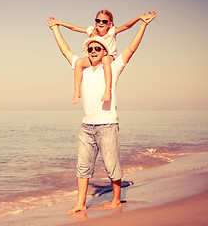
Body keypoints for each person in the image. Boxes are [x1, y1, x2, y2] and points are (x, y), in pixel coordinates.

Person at [46, 11, 157, 213]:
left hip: (107, 125)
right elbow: (65, 50)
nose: (94, 50)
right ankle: (80, 203)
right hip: (86, 126)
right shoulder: (82, 68)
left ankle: (116, 200)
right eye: (91, 48)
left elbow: (131, 49)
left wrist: (143, 25)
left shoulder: (113, 67)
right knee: (82, 167)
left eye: (98, 48)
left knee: (112, 165)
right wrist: (56, 29)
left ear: (104, 52)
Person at [51, 10, 147, 104]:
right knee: (78, 62)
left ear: (110, 23)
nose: (101, 23)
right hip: (94, 59)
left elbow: (127, 26)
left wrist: (139, 19)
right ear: (95, 21)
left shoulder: (111, 31)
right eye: (98, 20)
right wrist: (59, 23)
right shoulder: (92, 31)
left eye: (104, 21)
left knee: (105, 59)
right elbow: (74, 28)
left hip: (109, 56)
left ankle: (107, 89)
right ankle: (77, 92)